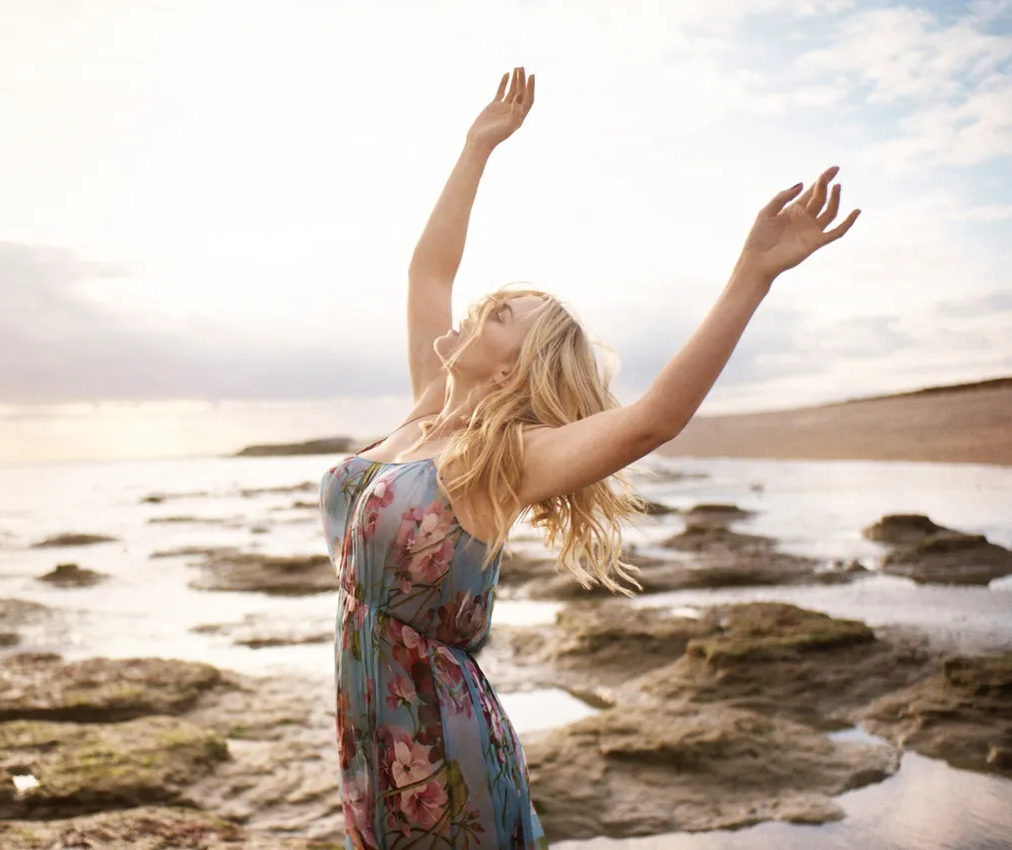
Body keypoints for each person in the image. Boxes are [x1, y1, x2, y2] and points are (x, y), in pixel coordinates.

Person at [318, 66, 859, 849]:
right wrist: (476, 149)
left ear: (513, 369)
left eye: (495, 315)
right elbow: (428, 271)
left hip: (442, 749)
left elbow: (652, 421)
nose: (471, 312)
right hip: (367, 739)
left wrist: (752, 274)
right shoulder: (425, 411)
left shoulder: (505, 459)